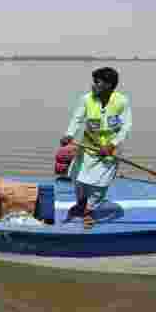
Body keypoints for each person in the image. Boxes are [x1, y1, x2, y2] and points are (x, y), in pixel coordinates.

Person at [59, 66, 132, 229]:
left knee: (100, 185)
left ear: (109, 85)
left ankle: (89, 211)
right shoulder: (86, 99)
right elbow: (77, 119)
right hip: (88, 148)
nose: (94, 85)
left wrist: (112, 145)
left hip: (109, 152)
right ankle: (80, 204)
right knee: (79, 180)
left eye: (97, 82)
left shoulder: (122, 101)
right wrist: (69, 135)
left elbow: (126, 126)